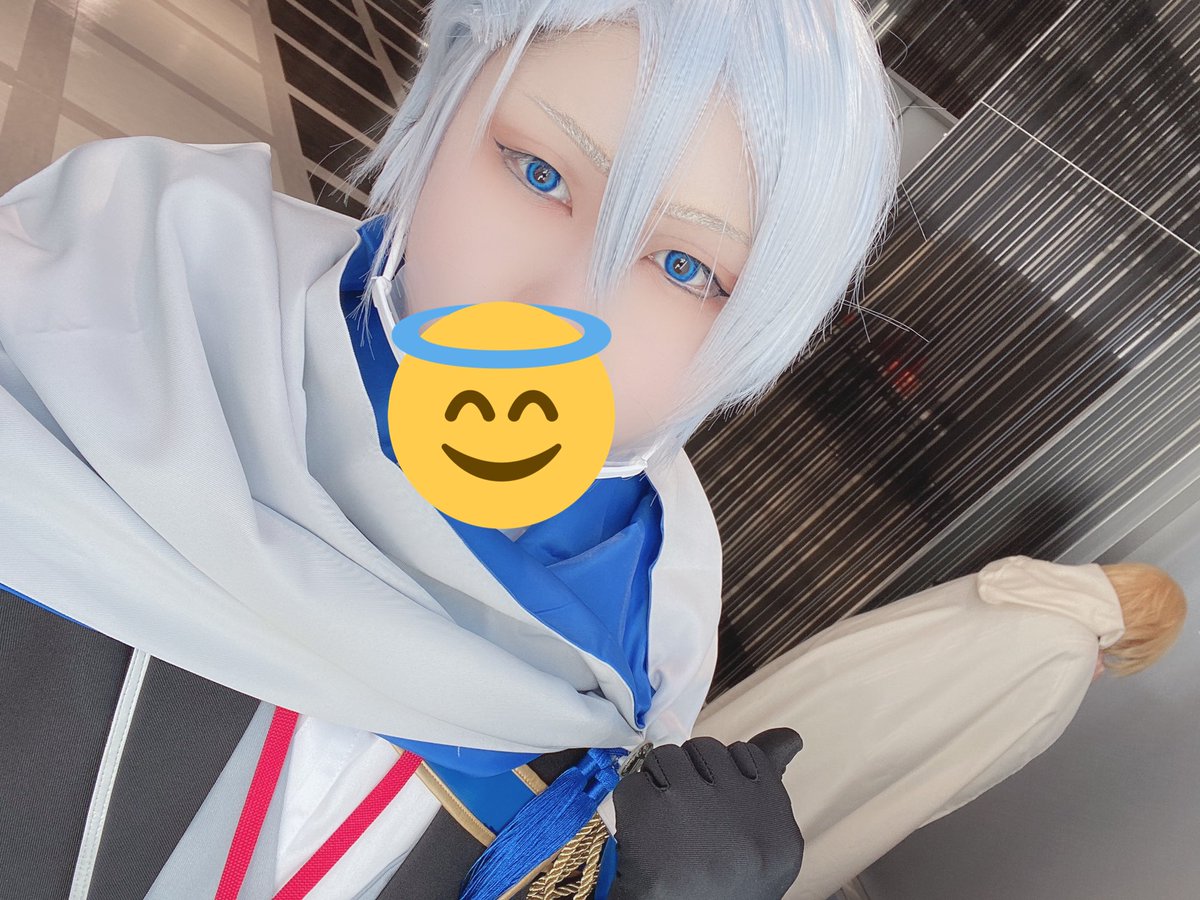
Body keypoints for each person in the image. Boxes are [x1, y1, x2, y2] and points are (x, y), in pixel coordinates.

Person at [0, 1, 897, 897]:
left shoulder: (648, 637)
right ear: (443, 102)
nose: (563, 310)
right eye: (541, 173)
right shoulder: (117, 283)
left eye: (684, 268)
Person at [696, 555, 1188, 900]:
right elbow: (981, 762)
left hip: (845, 679)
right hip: (884, 743)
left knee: (732, 752)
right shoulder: (1069, 655)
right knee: (778, 816)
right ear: (1143, 635)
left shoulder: (1034, 582)